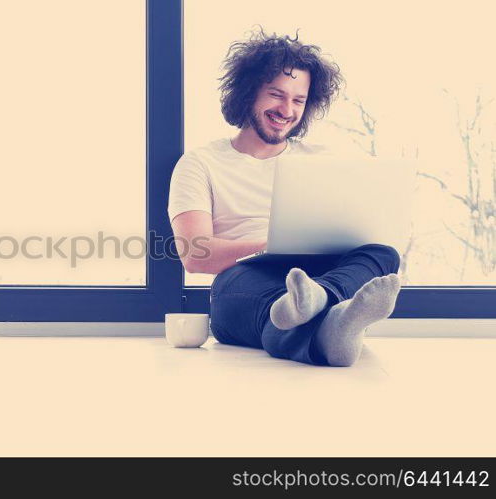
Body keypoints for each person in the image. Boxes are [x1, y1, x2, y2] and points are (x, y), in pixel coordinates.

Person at [167, 28, 401, 367]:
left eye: (298, 100)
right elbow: (194, 254)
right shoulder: (200, 163)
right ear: (248, 93)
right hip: (244, 277)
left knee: (382, 254)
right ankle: (332, 321)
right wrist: (272, 246)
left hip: (318, 275)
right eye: (276, 95)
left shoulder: (323, 160)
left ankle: (325, 304)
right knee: (272, 305)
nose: (287, 109)